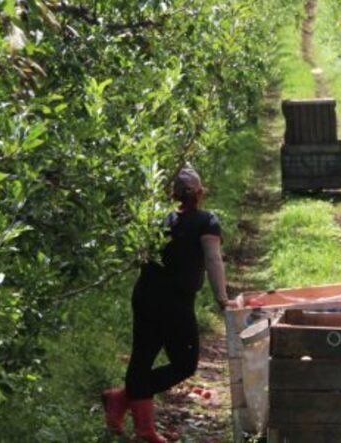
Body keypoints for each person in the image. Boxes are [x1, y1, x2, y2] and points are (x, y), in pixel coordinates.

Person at [101, 166, 240, 443]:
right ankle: (131, 410)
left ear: (170, 192)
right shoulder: (206, 221)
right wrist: (222, 298)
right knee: (184, 363)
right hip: (175, 302)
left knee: (143, 356)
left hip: (146, 297)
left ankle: (134, 416)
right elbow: (213, 259)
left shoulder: (156, 219)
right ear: (199, 193)